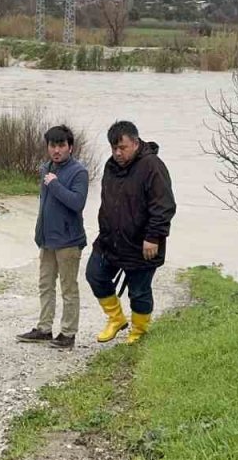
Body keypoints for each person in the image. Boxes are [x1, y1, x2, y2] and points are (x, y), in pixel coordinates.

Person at [86, 121, 175, 345]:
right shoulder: (111, 166)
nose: (117, 153)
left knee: (139, 292)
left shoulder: (152, 166)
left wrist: (153, 237)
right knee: (95, 274)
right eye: (113, 148)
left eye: (122, 147)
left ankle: (139, 331)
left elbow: (164, 206)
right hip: (110, 240)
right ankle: (116, 319)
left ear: (135, 143)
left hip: (143, 243)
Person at [17, 125, 88, 349]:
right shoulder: (45, 168)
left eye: (61, 145)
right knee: (45, 285)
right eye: (52, 145)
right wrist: (39, 232)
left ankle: (68, 333)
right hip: (47, 239)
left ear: (70, 147)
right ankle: (44, 328)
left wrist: (55, 184)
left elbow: (77, 203)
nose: (56, 150)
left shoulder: (79, 172)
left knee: (68, 288)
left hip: (69, 241)